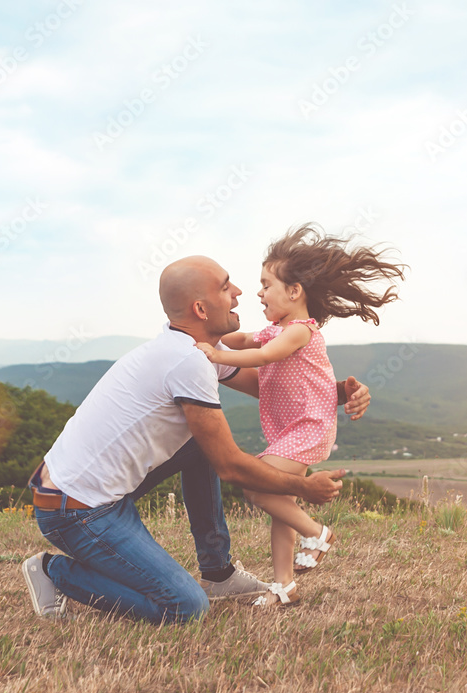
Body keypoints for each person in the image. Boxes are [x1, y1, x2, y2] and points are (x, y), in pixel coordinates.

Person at [20, 255, 371, 624]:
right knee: (185, 607)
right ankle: (52, 571)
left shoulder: (191, 348)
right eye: (226, 286)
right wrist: (303, 486)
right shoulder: (188, 362)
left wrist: (341, 394)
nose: (239, 294)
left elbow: (273, 389)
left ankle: (218, 573)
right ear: (201, 309)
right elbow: (231, 467)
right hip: (77, 510)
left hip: (81, 490)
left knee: (202, 445)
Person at [196, 225, 406, 607]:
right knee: (280, 501)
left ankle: (317, 532)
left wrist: (216, 355)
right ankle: (284, 585)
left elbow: (262, 356)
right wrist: (208, 335)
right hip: (293, 429)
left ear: (294, 292)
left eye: (265, 284)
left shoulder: (299, 332)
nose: (258, 292)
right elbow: (244, 340)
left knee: (256, 486)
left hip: (309, 428)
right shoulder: (276, 329)